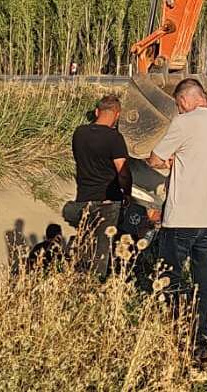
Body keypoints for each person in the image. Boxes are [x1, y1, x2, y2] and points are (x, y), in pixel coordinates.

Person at [148, 78, 207, 354]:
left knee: (168, 274)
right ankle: (203, 329)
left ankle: (181, 328)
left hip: (182, 216)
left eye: (177, 105)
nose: (178, 110)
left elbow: (155, 157)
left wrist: (166, 162)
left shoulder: (184, 122)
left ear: (184, 100)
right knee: (203, 278)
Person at [66, 94, 131, 277]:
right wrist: (127, 193)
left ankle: (79, 281)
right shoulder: (114, 138)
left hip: (83, 198)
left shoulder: (79, 133)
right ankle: (96, 285)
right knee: (101, 251)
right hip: (107, 201)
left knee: (85, 246)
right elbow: (123, 170)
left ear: (97, 112)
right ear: (117, 115)